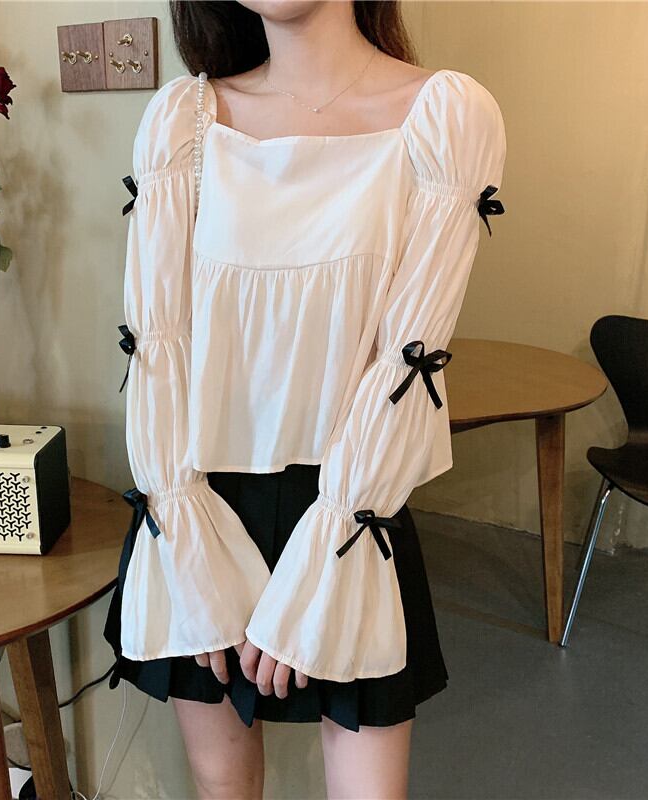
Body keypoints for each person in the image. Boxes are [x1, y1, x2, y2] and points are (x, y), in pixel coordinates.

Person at [103, 1, 507, 797]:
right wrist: (187, 544)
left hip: (354, 514)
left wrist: (329, 554)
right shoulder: (182, 123)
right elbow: (158, 345)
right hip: (196, 509)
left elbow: (406, 359)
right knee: (222, 788)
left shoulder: (446, 117)